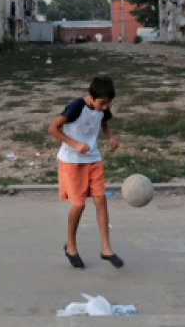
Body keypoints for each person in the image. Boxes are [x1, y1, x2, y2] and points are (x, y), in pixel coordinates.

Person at [47, 74, 124, 270]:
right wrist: (75, 144)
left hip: (93, 159)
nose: (105, 107)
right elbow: (53, 128)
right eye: (103, 103)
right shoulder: (76, 107)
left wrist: (110, 138)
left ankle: (106, 248)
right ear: (92, 96)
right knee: (79, 205)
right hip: (72, 161)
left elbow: (104, 122)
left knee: (100, 200)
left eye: (108, 103)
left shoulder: (103, 108)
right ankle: (70, 245)